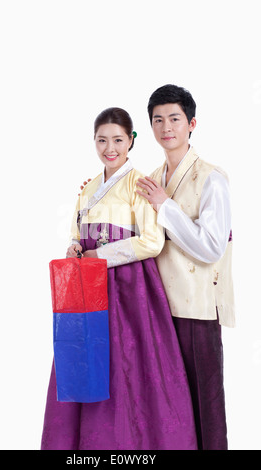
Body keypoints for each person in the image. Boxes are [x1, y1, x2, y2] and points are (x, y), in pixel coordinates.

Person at [41, 107, 198, 450]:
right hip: (86, 287)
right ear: (94, 142)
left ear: (131, 141)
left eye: (117, 140)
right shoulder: (88, 187)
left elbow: (152, 242)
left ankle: (130, 442)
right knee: (82, 356)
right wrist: (73, 247)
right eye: (102, 140)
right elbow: (76, 230)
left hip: (127, 288)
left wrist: (100, 256)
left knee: (125, 360)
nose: (109, 148)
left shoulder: (140, 183)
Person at [136, 84, 235, 450]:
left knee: (205, 407)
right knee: (165, 407)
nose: (167, 127)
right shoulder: (151, 179)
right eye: (158, 120)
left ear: (191, 124)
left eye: (174, 118)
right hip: (157, 308)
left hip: (196, 310)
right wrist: (92, 195)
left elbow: (210, 248)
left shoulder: (212, 178)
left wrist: (165, 206)